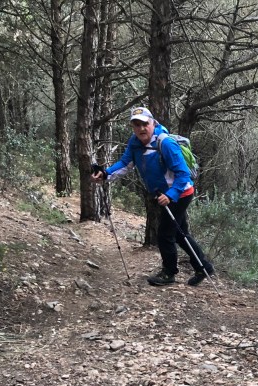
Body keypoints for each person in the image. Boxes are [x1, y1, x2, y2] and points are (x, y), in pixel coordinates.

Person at [92, 106, 214, 287]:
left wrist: (171, 195)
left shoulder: (166, 143)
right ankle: (203, 267)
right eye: (136, 125)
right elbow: (126, 163)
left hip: (180, 192)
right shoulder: (135, 142)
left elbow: (183, 174)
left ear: (153, 123)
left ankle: (169, 273)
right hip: (166, 193)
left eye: (145, 124)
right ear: (133, 127)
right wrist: (106, 174)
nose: (141, 128)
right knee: (180, 234)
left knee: (165, 234)